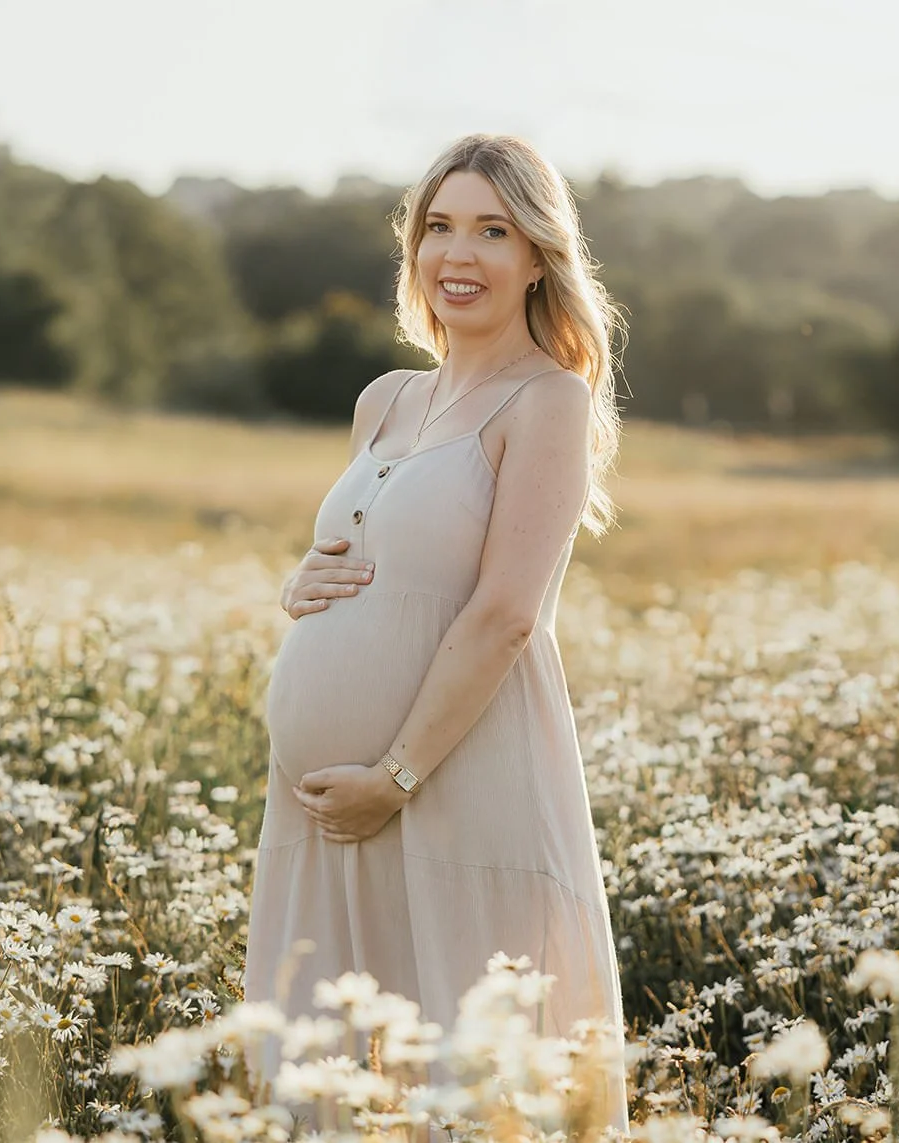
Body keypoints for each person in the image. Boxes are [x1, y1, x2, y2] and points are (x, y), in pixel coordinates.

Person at [243, 132, 629, 1136]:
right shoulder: (386, 400)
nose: (458, 254)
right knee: (337, 1081)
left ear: (539, 255)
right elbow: (381, 561)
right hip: (328, 813)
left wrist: (395, 778)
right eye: (438, 227)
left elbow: (506, 614)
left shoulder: (545, 400)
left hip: (451, 788)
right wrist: (302, 578)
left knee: (466, 1079)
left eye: (492, 231)